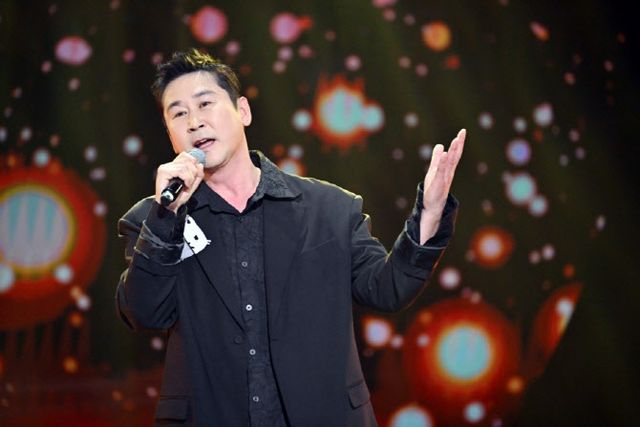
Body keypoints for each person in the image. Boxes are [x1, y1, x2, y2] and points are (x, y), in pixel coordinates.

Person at [116, 48, 465, 427]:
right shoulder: (154, 221)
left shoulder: (328, 208)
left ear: (243, 111)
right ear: (170, 134)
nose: (195, 122)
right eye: (179, 113)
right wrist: (165, 217)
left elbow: (387, 288)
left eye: (205, 104)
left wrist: (430, 213)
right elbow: (145, 313)